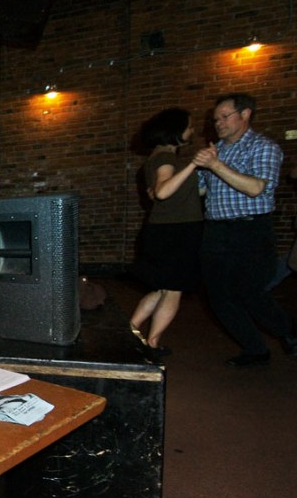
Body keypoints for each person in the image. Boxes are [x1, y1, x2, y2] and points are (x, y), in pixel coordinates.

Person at [192, 92, 297, 366]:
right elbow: (201, 190)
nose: (218, 123)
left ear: (245, 114)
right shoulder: (216, 151)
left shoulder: (263, 147)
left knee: (249, 291)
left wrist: (215, 165)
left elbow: (255, 188)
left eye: (224, 117)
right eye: (216, 119)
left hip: (250, 230)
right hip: (215, 232)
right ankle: (255, 349)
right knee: (218, 296)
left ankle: (288, 331)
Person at [127, 108, 203, 358]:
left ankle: (129, 331)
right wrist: (194, 164)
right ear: (175, 131)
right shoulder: (167, 159)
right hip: (176, 231)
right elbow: (161, 192)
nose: (192, 131)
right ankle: (152, 343)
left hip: (164, 229)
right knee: (172, 290)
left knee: (162, 289)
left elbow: (159, 194)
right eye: (189, 126)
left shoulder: (157, 157)